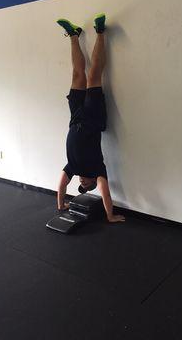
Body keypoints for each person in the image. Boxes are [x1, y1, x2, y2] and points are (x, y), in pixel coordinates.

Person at [56, 13, 125, 223]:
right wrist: (110, 215)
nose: (82, 182)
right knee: (94, 74)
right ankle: (101, 32)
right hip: (94, 118)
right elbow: (105, 192)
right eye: (85, 185)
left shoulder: (73, 167)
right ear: (92, 181)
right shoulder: (97, 169)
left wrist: (61, 204)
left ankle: (74, 35)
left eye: (81, 184)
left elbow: (61, 186)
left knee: (78, 75)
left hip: (76, 117)